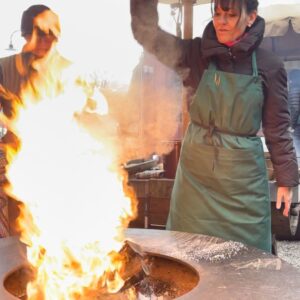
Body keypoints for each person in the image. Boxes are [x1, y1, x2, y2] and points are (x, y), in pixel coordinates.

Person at [130, 0, 299, 252]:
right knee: (188, 251)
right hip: (196, 176)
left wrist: (287, 178)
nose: (221, 21)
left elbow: (277, 126)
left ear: (251, 17)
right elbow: (147, 33)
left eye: (230, 15)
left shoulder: (268, 65)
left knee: (248, 256)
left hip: (243, 179)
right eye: (217, 13)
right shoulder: (194, 53)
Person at [0, 5, 68, 237]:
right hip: (19, 169)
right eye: (37, 35)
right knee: (21, 237)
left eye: (50, 35)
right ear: (25, 37)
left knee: (57, 235)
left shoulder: (67, 73)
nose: (44, 42)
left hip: (59, 167)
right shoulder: (5, 68)